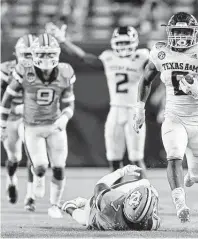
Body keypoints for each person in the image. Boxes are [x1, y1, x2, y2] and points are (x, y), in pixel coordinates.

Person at [133, 12, 198, 222]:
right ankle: (180, 203)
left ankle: (191, 177)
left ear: (194, 33)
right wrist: (139, 109)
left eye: (185, 31)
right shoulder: (160, 51)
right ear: (169, 32)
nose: (181, 36)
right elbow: (145, 80)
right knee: (174, 155)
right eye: (177, 31)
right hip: (173, 116)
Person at [46, 23, 148, 182]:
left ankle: (145, 194)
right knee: (114, 159)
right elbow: (83, 57)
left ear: (134, 42)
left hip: (134, 112)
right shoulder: (108, 58)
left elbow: (156, 68)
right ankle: (115, 196)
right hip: (115, 110)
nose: (122, 46)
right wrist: (63, 41)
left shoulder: (142, 57)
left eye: (125, 42)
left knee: (136, 157)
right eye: (120, 42)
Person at [1, 33, 76, 218]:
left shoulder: (65, 71)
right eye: (40, 54)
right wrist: (2, 123)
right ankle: (16, 179)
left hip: (49, 122)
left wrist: (65, 117)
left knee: (52, 164)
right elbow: (6, 97)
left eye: (50, 54)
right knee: (17, 158)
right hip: (19, 119)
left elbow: (69, 102)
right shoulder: (15, 69)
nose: (45, 59)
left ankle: (39, 199)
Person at [62, 164, 160, 230]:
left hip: (99, 211)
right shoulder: (150, 224)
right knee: (146, 184)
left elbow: (100, 186)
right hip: (110, 207)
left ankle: (69, 206)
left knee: (85, 219)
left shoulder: (109, 203)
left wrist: (121, 172)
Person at [1, 34, 35, 208]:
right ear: (16, 53)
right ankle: (11, 181)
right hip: (11, 118)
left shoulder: (42, 71)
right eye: (25, 54)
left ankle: (30, 196)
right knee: (14, 157)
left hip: (30, 120)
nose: (28, 58)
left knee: (32, 155)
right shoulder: (5, 69)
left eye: (31, 54)